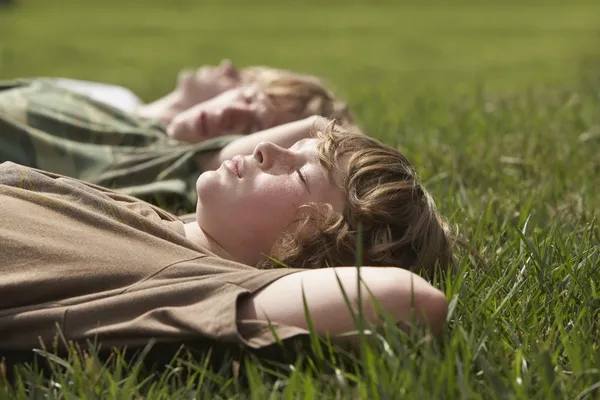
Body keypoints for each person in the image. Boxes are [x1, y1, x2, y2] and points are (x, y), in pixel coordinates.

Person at [0, 120, 452, 358]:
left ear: (302, 250)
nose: (265, 150)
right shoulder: (156, 222)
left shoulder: (191, 284)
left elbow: (411, 302)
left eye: (296, 171)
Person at [0, 70, 351, 210]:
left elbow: (209, 161)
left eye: (253, 129)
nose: (233, 114)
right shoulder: (116, 104)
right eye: (247, 98)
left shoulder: (157, 161)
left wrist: (326, 129)